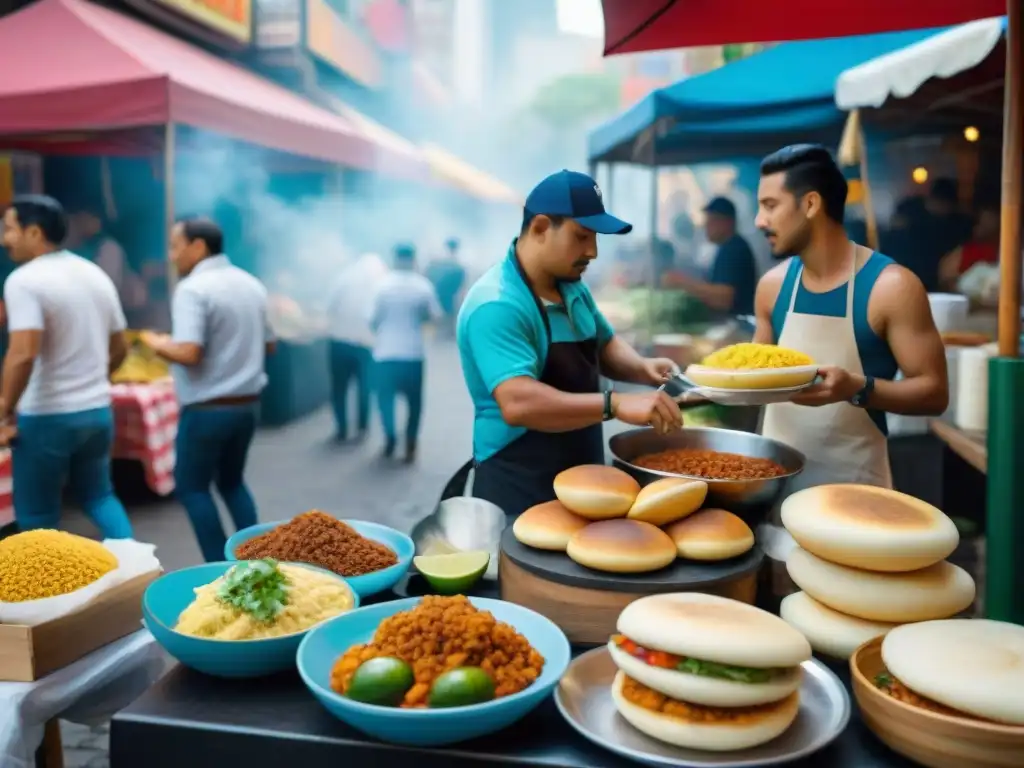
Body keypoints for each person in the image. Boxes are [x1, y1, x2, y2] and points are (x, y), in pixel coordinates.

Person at [751, 145, 948, 564]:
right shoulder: (771, 287)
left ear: (810, 204)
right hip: (774, 500)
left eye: (769, 205)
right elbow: (752, 381)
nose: (759, 220)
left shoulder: (892, 287)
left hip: (858, 506)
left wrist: (857, 388)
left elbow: (934, 392)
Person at [457, 170, 685, 519]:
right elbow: (519, 403)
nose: (592, 251)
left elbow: (604, 343)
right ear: (540, 228)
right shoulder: (498, 304)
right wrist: (615, 404)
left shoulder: (571, 285)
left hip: (584, 477)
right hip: (518, 484)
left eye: (594, 238)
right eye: (581, 236)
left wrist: (642, 368)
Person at [0, 195, 133, 538]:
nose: (4, 239)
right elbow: (122, 345)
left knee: (37, 515)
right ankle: (140, 569)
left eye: (9, 229)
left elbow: (23, 353)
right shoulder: (94, 273)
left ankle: (46, 592)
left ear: (34, 232)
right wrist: (94, 380)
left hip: (46, 417)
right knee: (100, 497)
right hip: (96, 412)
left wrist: (4, 408)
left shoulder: (24, 280)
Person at [141, 219, 272, 562]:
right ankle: (257, 560)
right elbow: (269, 346)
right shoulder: (252, 284)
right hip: (247, 406)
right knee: (232, 483)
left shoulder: (192, 288)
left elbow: (189, 353)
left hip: (207, 410)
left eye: (175, 246)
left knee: (193, 488)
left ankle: (218, 566)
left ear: (198, 246)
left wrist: (156, 343)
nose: (172, 255)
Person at [369, 243, 441, 463]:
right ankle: (410, 442)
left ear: (394, 258)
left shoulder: (381, 285)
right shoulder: (423, 286)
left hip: (385, 352)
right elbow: (434, 316)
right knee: (414, 402)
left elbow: (372, 320)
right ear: (413, 259)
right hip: (412, 353)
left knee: (385, 399)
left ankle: (390, 436)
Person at [326, 252, 386, 442]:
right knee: (365, 387)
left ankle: (341, 428)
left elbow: (330, 307)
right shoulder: (380, 283)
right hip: (366, 344)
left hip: (339, 341)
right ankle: (362, 427)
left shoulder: (342, 278)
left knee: (339, 388)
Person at [661, 197, 757, 316]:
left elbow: (724, 299)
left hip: (739, 324)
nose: (706, 226)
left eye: (712, 221)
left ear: (728, 222)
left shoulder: (734, 249)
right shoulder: (727, 247)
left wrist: (682, 282)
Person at [938, 204, 999, 291]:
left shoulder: (1006, 251)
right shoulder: (964, 251)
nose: (986, 224)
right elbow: (946, 276)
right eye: (982, 221)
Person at [426, 238, 468, 338]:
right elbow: (462, 289)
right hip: (451, 300)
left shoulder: (436, 264)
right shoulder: (458, 266)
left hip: (439, 297)